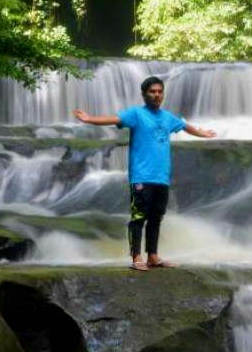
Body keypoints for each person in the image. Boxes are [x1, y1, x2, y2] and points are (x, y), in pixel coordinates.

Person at [73, 76, 217, 271]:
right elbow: (114, 118)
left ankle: (153, 256)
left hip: (162, 177)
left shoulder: (167, 117)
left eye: (159, 92)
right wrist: (90, 119)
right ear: (144, 94)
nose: (157, 95)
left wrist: (202, 134)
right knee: (139, 217)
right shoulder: (136, 114)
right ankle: (136, 257)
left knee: (156, 218)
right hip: (141, 176)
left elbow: (184, 126)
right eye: (152, 92)